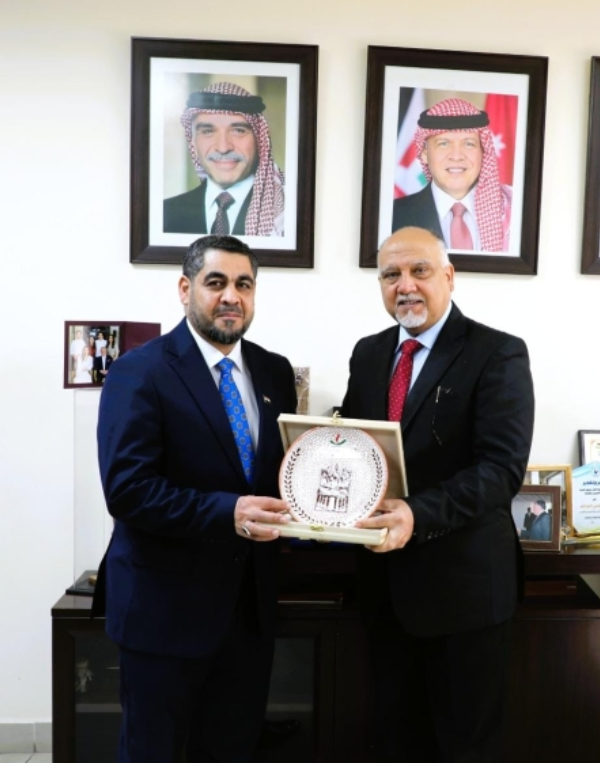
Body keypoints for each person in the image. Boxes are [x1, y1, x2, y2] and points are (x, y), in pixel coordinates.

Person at [92, 234, 297, 763]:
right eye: (216, 282)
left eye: (244, 284)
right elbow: (128, 490)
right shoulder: (140, 371)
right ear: (185, 289)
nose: (232, 296)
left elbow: (283, 476)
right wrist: (230, 512)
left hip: (247, 616)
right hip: (164, 615)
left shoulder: (275, 372)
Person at [342, 226, 534, 761]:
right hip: (384, 589)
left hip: (463, 594)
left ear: (449, 277)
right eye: (391, 274)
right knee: (396, 741)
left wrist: (415, 514)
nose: (405, 285)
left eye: (419, 271)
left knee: (463, 747)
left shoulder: (497, 353)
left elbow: (500, 470)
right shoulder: (369, 353)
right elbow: (358, 450)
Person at [164, 82, 285, 238]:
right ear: (193, 142)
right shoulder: (165, 213)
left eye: (238, 130)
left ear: (259, 140)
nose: (223, 148)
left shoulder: (285, 213)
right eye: (208, 131)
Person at [392, 98, 512, 253]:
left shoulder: (512, 211)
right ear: (424, 154)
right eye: (443, 144)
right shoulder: (393, 216)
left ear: (483, 152)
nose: (456, 156)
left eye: (469, 144)